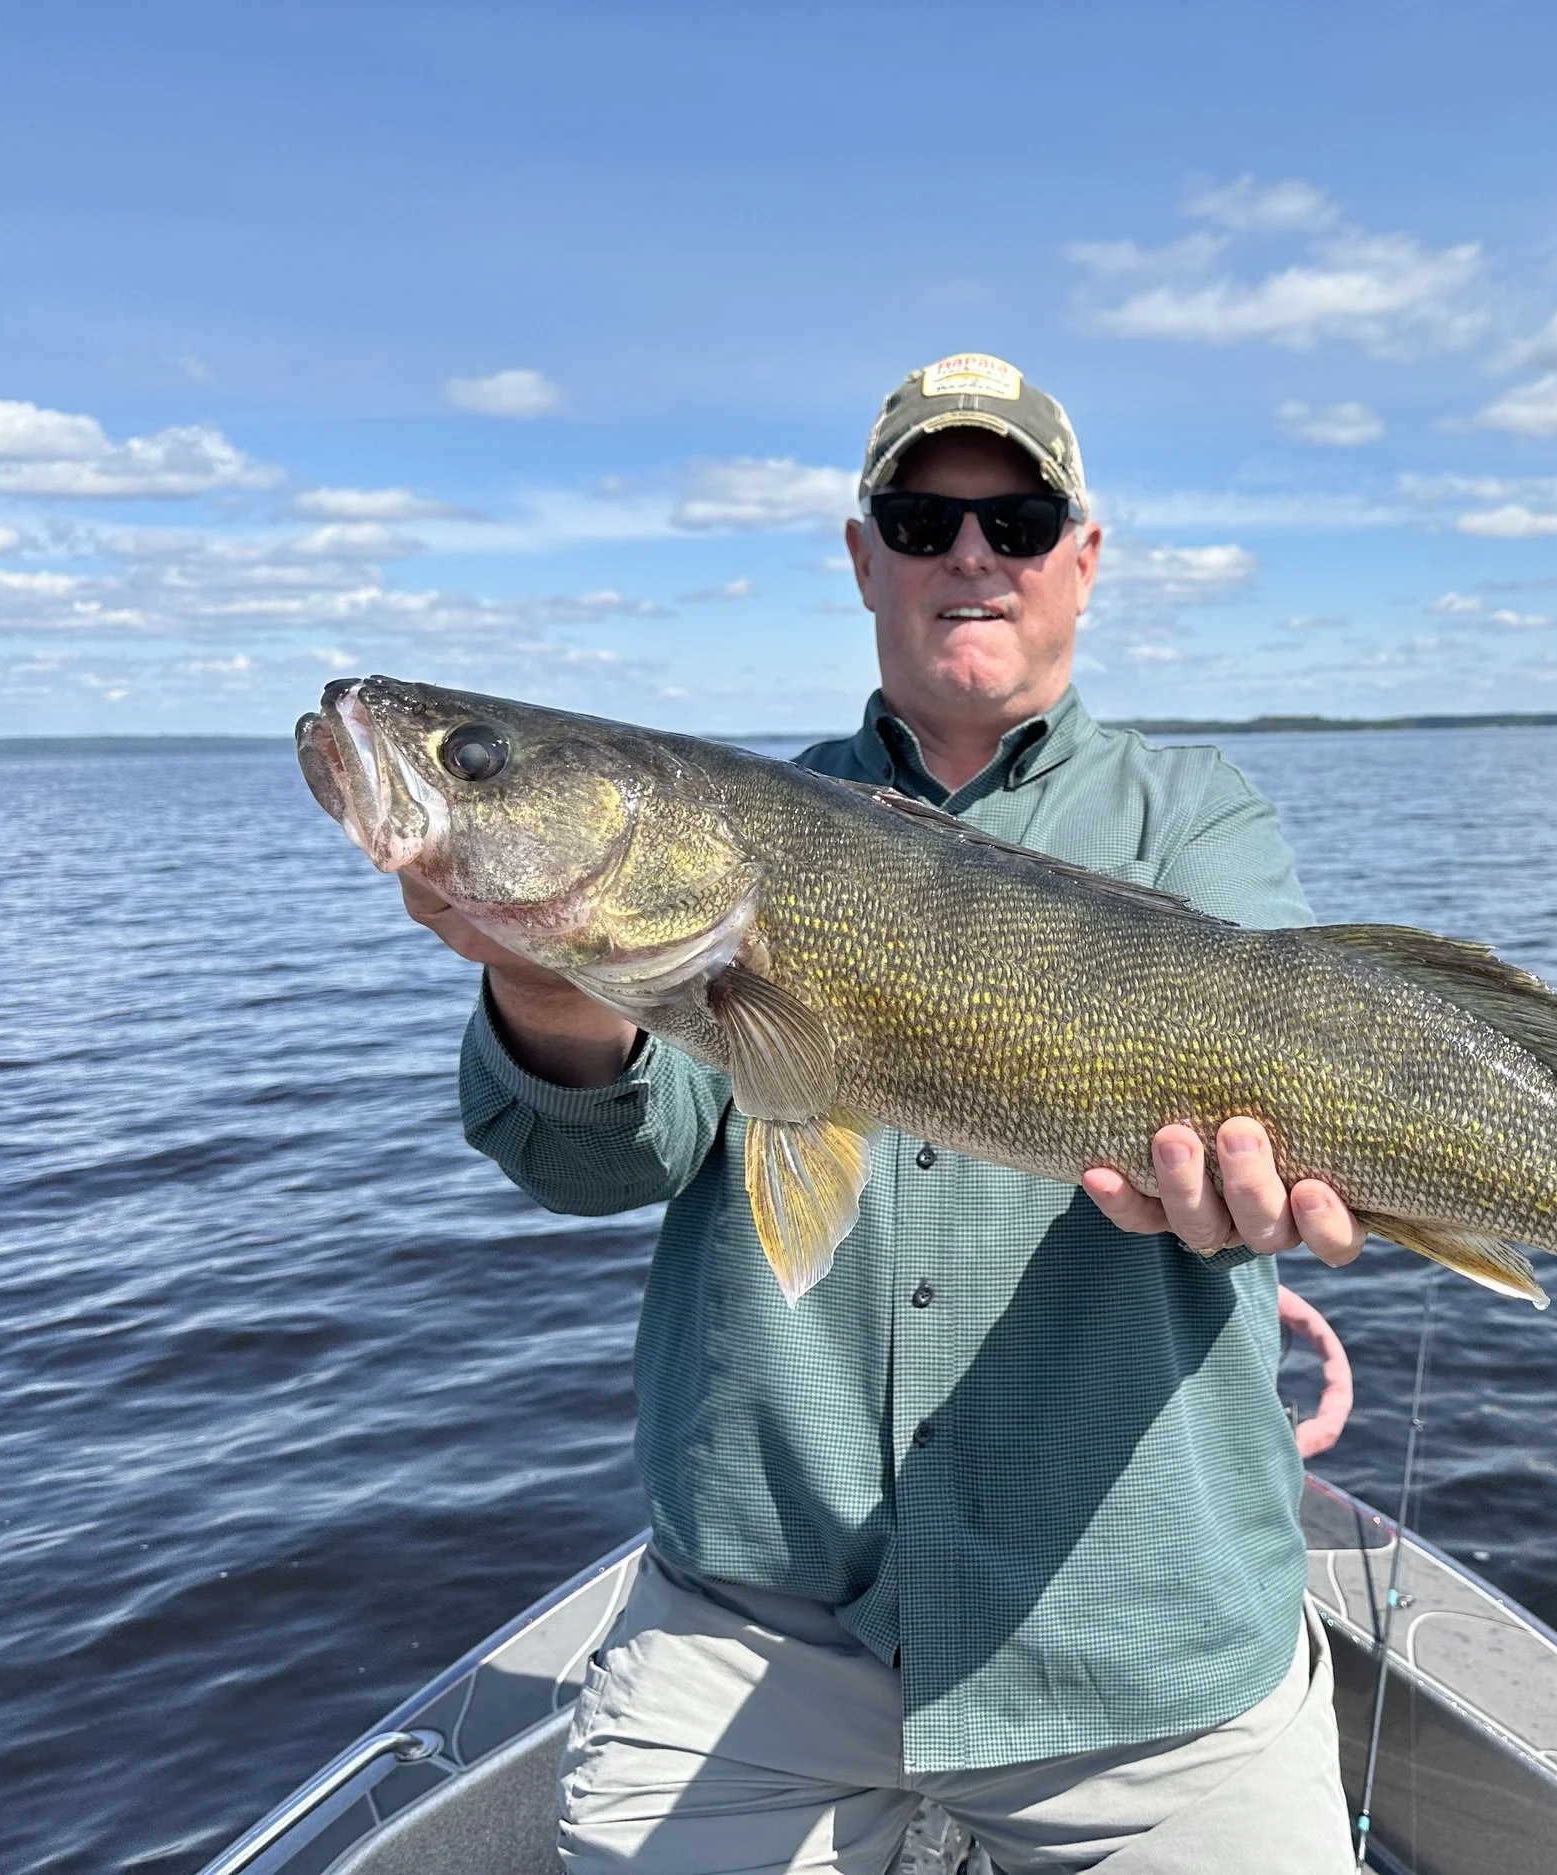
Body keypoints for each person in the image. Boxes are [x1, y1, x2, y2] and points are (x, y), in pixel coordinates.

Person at [400, 352, 1365, 1874]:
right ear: (863, 559)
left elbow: (1282, 1090)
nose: (971, 556)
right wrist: (557, 982)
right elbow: (606, 1162)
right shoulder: (742, 835)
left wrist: (1252, 1186)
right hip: (759, 1633)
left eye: (1018, 518)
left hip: (1142, 1632)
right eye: (922, 521)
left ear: (1082, 559)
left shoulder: (1201, 822)